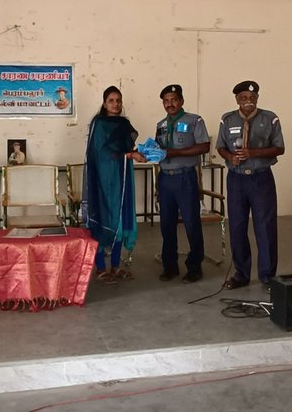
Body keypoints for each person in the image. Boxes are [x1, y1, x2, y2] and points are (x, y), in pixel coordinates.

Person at [215, 80, 285, 290]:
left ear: (257, 99)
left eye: (252, 98)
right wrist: (230, 157)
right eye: (244, 98)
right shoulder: (227, 120)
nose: (248, 102)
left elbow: (279, 148)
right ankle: (241, 274)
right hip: (236, 179)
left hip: (261, 178)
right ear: (237, 99)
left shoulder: (270, 119)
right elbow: (220, 146)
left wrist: (252, 153)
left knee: (265, 228)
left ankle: (267, 276)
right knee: (237, 226)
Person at [84, 86, 146, 284]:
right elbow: (100, 153)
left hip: (123, 176)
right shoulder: (99, 124)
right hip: (103, 180)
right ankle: (101, 268)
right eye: (111, 100)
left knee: (120, 220)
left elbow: (124, 149)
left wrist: (141, 152)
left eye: (118, 100)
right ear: (104, 103)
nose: (116, 104)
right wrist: (129, 154)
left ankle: (116, 266)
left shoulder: (124, 124)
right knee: (103, 219)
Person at [155, 84, 210, 283]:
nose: (170, 104)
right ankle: (170, 267)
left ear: (181, 101)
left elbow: (204, 146)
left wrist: (176, 153)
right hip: (165, 179)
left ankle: (195, 267)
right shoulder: (160, 124)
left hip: (185, 178)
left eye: (174, 100)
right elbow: (159, 150)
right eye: (166, 101)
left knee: (191, 223)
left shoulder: (195, 120)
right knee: (167, 225)